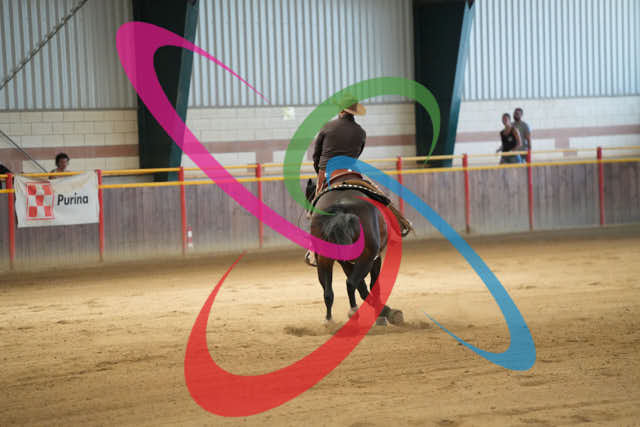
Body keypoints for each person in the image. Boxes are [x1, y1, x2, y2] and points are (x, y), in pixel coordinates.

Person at [312, 97, 367, 196]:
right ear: (354, 112)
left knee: (317, 199)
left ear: (341, 110)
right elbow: (357, 154)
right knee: (372, 191)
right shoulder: (361, 132)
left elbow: (316, 155)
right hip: (351, 170)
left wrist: (319, 171)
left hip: (326, 170)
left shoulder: (327, 126)